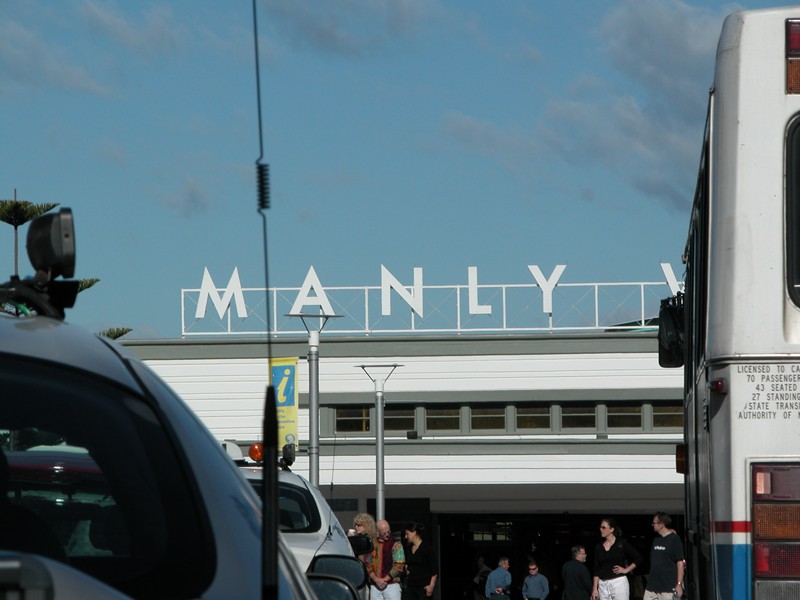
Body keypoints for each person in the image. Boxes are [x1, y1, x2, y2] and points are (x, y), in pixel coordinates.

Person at [592, 518, 642, 600]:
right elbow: (596, 568)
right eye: (600, 527)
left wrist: (626, 570)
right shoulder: (599, 547)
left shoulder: (621, 544)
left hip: (618, 582)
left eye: (603, 527)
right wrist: (594, 588)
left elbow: (638, 558)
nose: (601, 529)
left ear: (611, 529)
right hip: (603, 584)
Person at [643, 513, 684, 600]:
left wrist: (679, 584)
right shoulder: (656, 540)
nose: (652, 525)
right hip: (652, 587)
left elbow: (680, 563)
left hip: (668, 587)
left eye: (654, 523)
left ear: (661, 524)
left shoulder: (674, 539)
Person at [368, 519, 406, 600]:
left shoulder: (396, 544)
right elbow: (368, 564)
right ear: (377, 532)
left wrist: (384, 580)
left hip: (392, 585)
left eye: (388, 532)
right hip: (375, 586)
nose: (387, 534)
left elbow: (399, 565)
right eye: (384, 533)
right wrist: (376, 580)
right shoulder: (372, 545)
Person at [402, 522, 438, 599]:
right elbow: (407, 563)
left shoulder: (427, 548)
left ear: (414, 532)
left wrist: (431, 586)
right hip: (411, 586)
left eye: (407, 534)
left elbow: (435, 570)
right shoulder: (408, 548)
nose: (406, 537)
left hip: (423, 588)